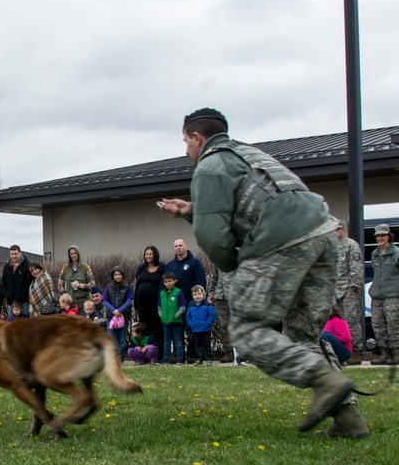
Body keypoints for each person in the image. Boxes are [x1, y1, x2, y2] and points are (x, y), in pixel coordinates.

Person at [160, 107, 368, 437]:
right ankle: (350, 421)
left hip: (284, 241)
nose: (186, 150)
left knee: (245, 330)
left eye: (185, 141)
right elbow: (259, 203)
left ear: (197, 138)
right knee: (304, 335)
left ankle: (324, 379)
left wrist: (240, 267)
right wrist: (192, 211)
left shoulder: (209, 166)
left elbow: (216, 240)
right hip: (324, 236)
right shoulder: (248, 154)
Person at [334, 218, 365, 365]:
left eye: (337, 229)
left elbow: (356, 268)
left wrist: (354, 287)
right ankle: (343, 351)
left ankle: (355, 351)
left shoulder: (351, 245)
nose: (334, 232)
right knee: (339, 323)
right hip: (336, 290)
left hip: (349, 290)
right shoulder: (333, 247)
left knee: (351, 321)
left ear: (344, 230)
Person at [369, 223, 399, 365]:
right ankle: (384, 354)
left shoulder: (396, 253)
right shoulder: (374, 254)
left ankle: (396, 354)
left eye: (383, 235)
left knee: (393, 325)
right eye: (378, 235)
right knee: (378, 326)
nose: (380, 238)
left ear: (389, 236)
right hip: (377, 296)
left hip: (393, 295)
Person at [134, 246, 165, 348]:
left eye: (150, 254)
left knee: (157, 328)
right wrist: (136, 304)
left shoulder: (162, 267)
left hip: (156, 304)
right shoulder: (141, 268)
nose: (148, 256)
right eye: (146, 254)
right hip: (142, 305)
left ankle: (159, 353)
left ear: (155, 255)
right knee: (144, 328)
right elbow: (137, 284)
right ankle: (145, 352)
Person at [102, 266, 134, 358]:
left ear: (122, 276)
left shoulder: (127, 287)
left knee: (121, 340)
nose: (118, 276)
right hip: (111, 318)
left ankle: (120, 360)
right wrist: (113, 311)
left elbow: (129, 301)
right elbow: (104, 301)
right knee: (112, 340)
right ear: (113, 276)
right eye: (116, 275)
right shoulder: (108, 287)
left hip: (123, 317)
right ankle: (112, 359)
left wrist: (120, 310)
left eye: (119, 274)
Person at [158, 272, 186, 364]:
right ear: (164, 283)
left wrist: (176, 315)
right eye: (166, 282)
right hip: (166, 322)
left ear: (174, 281)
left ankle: (179, 358)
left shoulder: (178, 292)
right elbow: (159, 307)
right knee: (166, 342)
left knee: (178, 341)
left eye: (170, 281)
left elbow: (183, 307)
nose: (168, 283)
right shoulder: (162, 293)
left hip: (176, 322)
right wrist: (161, 315)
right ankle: (166, 358)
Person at [185, 285, 216, 364]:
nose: (197, 296)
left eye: (199, 294)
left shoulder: (207, 305)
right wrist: (191, 324)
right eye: (195, 295)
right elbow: (188, 316)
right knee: (197, 345)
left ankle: (208, 358)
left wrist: (207, 323)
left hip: (205, 329)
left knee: (206, 344)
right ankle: (198, 358)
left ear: (203, 294)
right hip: (195, 329)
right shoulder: (191, 306)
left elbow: (212, 315)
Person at [3, 245, 33, 317]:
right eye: (12, 254)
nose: (14, 256)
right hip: (10, 303)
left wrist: (21, 295)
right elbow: (3, 282)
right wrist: (6, 294)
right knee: (12, 324)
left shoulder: (27, 266)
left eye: (16, 254)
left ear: (20, 253)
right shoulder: (7, 267)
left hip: (23, 302)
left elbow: (29, 283)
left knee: (24, 324)